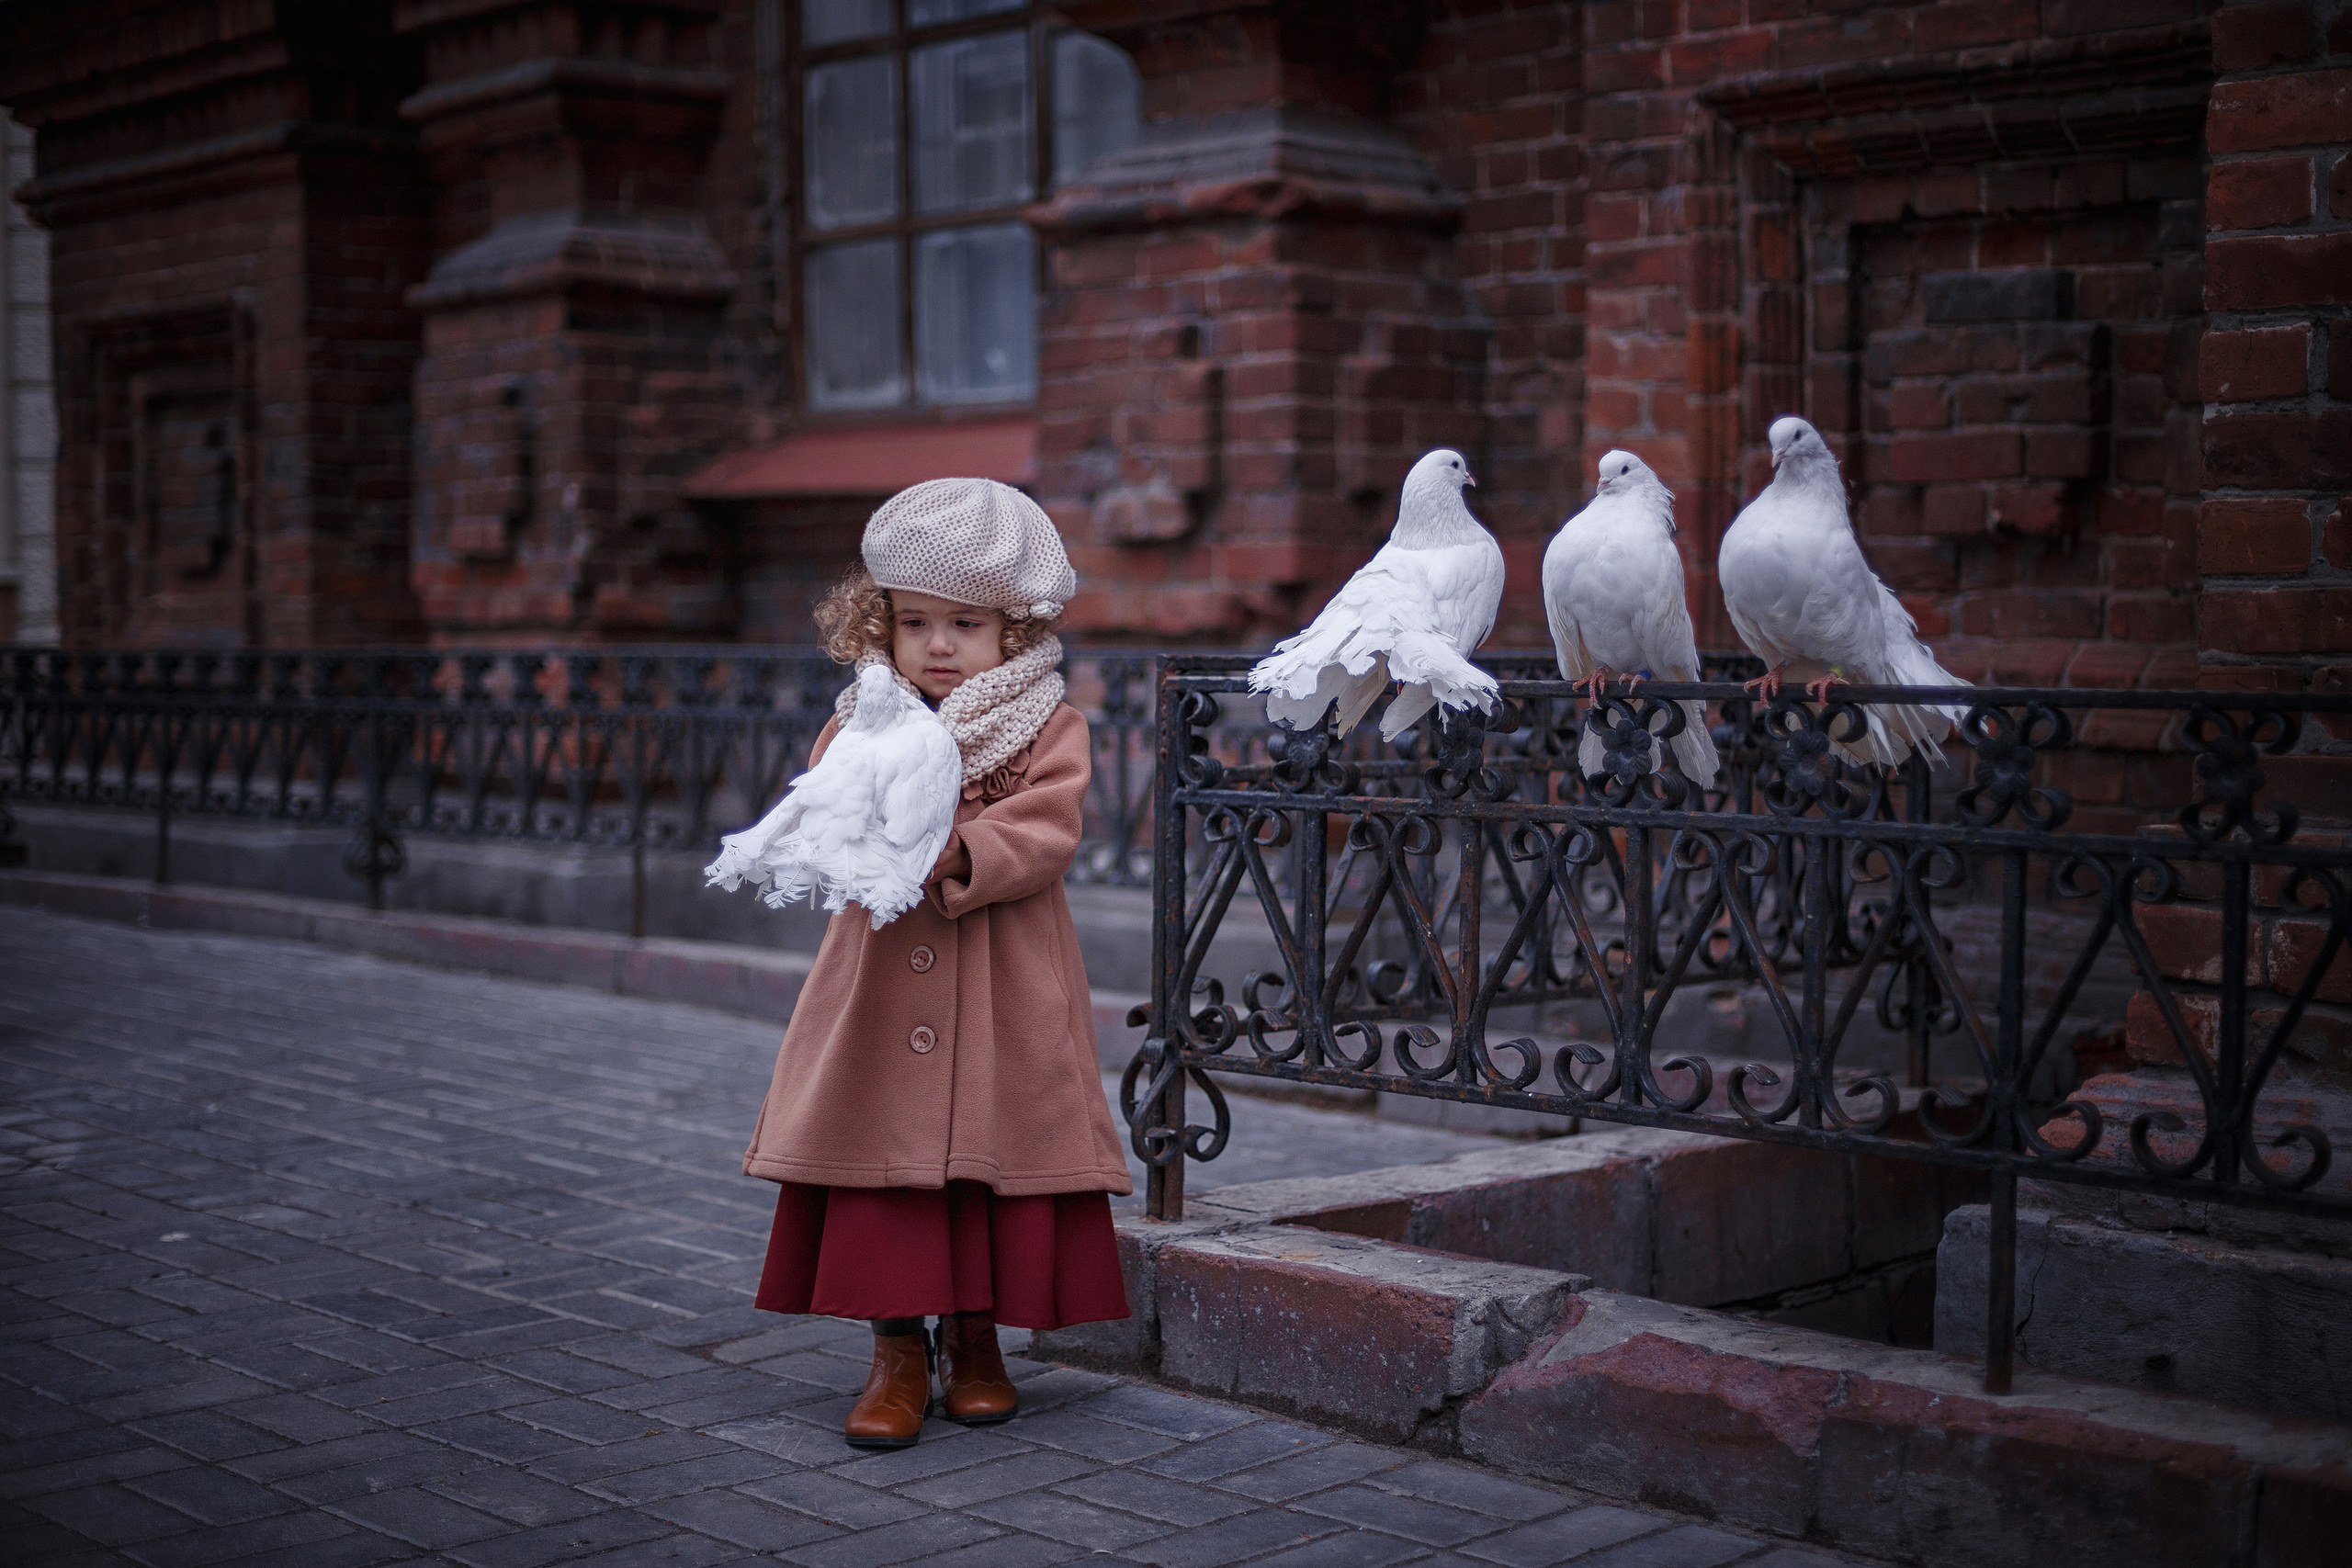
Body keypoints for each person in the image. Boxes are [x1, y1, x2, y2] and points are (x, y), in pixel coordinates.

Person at [742, 478, 1132, 1449]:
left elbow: (1050, 826)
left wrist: (961, 848)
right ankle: (896, 1353)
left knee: (991, 1146)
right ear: (881, 628)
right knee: (886, 1159)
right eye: (915, 624)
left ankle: (975, 1341)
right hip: (878, 981)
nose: (940, 646)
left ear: (1016, 628)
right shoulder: (865, 719)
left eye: (966, 623)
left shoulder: (1047, 724)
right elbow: (832, 805)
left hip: (1005, 969)